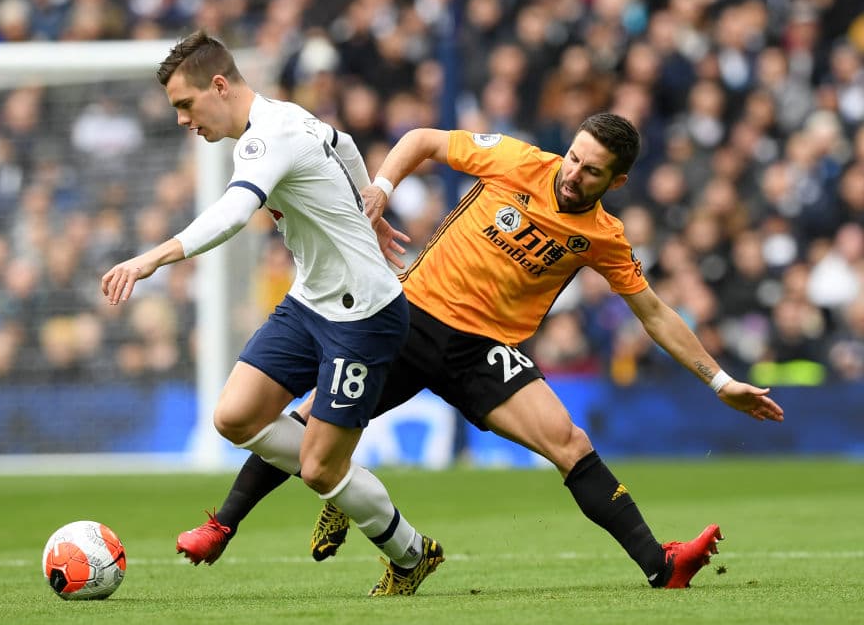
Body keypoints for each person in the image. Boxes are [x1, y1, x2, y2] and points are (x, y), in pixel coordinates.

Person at [174, 114, 785, 590]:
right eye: (574, 158)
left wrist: (719, 380)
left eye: (592, 171)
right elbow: (422, 140)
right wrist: (381, 188)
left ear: (616, 182)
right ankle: (224, 523)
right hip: (409, 320)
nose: (573, 174)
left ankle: (661, 566)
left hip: (484, 351)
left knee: (569, 443)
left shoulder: (603, 236)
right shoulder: (519, 161)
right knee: (312, 426)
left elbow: (653, 312)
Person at [100, 30, 444, 597]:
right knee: (233, 416)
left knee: (320, 469)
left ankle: (411, 553)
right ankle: (343, 480)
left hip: (364, 316)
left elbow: (236, 213)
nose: (183, 120)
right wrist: (370, 208)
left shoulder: (267, 137)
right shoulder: (288, 116)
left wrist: (151, 258)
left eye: (185, 104)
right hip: (310, 301)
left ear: (219, 85)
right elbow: (344, 142)